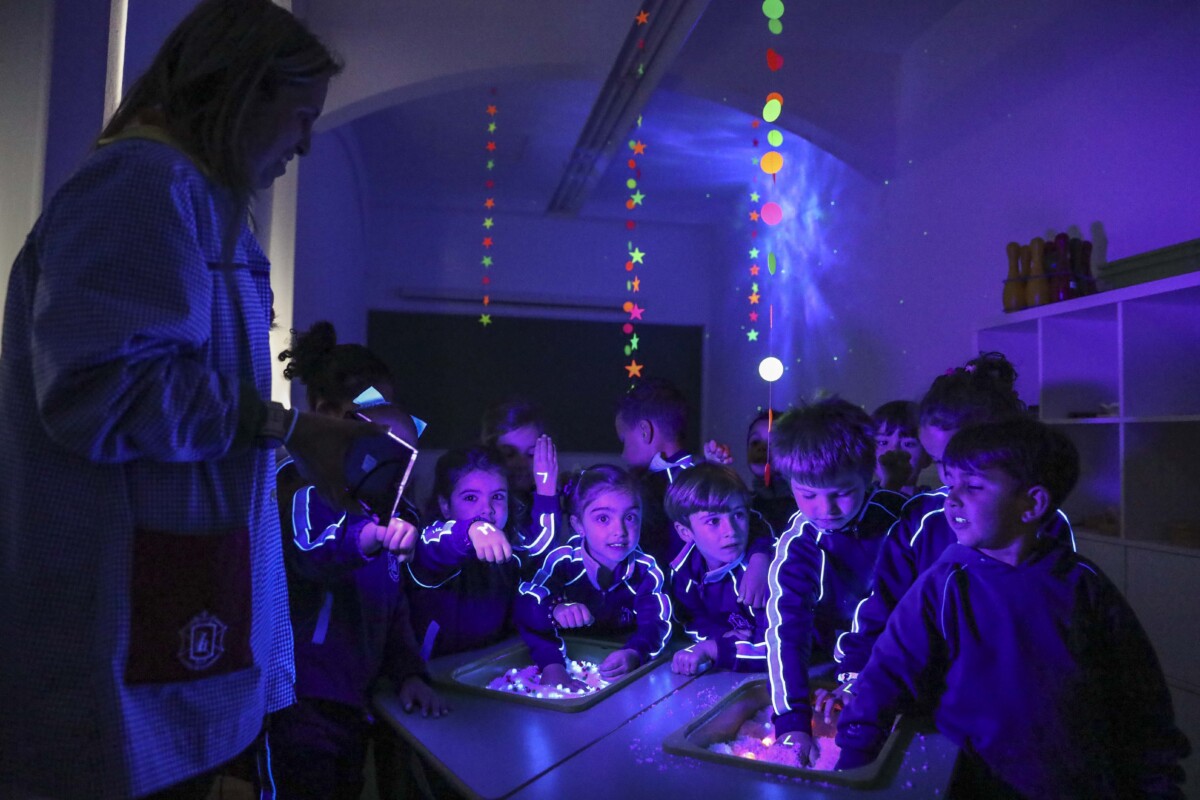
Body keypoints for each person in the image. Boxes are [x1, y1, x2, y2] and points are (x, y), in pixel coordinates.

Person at [0, 2, 374, 797]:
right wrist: (284, 428)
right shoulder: (142, 185)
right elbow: (103, 389)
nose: (303, 142)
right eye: (299, 115)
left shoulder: (197, 202)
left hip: (171, 596)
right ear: (240, 90)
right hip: (125, 609)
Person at [835, 419, 1190, 798]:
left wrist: (1159, 782)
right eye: (950, 482)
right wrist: (853, 767)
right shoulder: (944, 586)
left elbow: (1138, 694)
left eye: (972, 486)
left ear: (1032, 503)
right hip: (972, 782)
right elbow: (885, 679)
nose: (951, 498)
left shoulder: (1083, 585)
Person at [826, 353, 1076, 718]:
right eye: (940, 462)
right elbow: (881, 610)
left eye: (964, 463)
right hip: (920, 705)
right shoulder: (919, 521)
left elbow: (1055, 638)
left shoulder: (1047, 527)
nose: (949, 479)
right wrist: (856, 678)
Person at [272, 322, 447, 799]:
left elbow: (392, 609)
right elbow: (313, 554)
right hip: (297, 702)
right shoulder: (298, 486)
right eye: (368, 421)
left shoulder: (384, 505)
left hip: (356, 705)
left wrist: (409, 672)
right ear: (327, 414)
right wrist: (367, 537)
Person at [763, 397, 905, 766]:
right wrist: (793, 721)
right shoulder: (798, 544)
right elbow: (786, 632)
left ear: (868, 475)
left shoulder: (900, 525)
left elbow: (903, 619)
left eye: (842, 493)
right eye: (807, 495)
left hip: (891, 672)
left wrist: (859, 677)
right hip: (829, 671)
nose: (825, 511)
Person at [514, 465, 673, 691]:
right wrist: (555, 611)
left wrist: (635, 653)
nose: (619, 531)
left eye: (630, 517)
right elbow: (526, 604)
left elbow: (657, 623)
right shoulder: (561, 563)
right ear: (578, 525)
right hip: (565, 662)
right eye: (603, 519)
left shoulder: (646, 571)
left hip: (618, 671)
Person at [616, 378, 769, 606]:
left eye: (623, 442)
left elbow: (751, 521)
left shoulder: (696, 479)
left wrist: (760, 557)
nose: (623, 455)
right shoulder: (649, 481)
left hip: (713, 604)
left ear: (644, 431)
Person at [406, 443, 561, 659]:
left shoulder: (509, 549)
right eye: (470, 498)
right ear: (445, 505)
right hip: (435, 675)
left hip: (488, 665)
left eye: (497, 497)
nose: (487, 509)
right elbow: (435, 544)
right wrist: (472, 529)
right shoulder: (432, 540)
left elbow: (539, 548)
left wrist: (546, 489)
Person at [665, 464, 769, 675]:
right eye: (713, 521)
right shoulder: (684, 574)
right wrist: (721, 635)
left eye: (738, 515)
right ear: (685, 532)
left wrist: (714, 648)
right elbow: (691, 619)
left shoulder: (763, 573)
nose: (730, 531)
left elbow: (783, 648)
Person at [745, 409, 798, 537]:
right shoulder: (744, 505)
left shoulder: (803, 504)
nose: (762, 448)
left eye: (773, 442)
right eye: (755, 442)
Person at [869, 400, 931, 496]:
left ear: (927, 456)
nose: (894, 450)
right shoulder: (859, 503)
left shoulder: (936, 505)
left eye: (908, 444)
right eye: (883, 442)